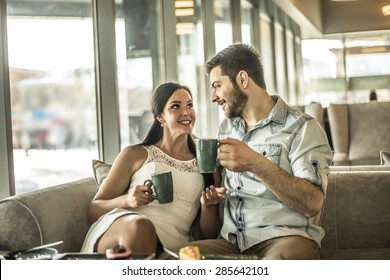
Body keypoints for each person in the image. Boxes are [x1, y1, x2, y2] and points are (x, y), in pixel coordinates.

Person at [162, 43, 333, 260]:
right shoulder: (226, 128)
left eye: (217, 86)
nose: (213, 96)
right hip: (232, 243)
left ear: (242, 79)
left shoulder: (302, 128)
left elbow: (313, 204)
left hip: (286, 239)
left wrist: (255, 162)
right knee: (171, 260)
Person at [81, 82, 226, 256]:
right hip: (123, 229)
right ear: (160, 118)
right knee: (142, 226)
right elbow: (94, 209)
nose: (186, 112)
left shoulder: (207, 164)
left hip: (170, 244)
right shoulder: (135, 154)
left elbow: (209, 234)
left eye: (189, 105)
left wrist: (208, 207)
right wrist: (128, 200)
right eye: (175, 106)